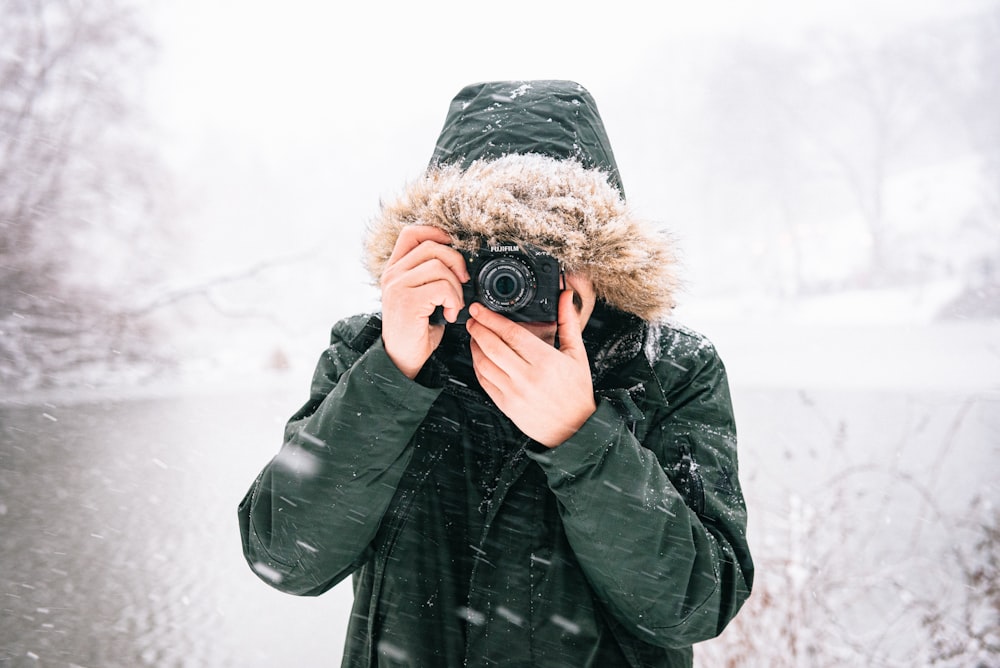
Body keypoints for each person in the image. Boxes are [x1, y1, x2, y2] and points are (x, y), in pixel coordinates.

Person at [238, 80, 753, 667]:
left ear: (595, 259)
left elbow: (694, 605)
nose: (513, 282)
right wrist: (390, 375)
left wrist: (581, 437)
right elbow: (284, 558)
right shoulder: (374, 350)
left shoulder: (666, 368)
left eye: (544, 255)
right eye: (490, 254)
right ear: (445, 249)